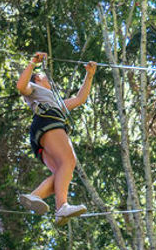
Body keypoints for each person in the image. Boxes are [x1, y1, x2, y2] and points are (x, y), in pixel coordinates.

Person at [16, 52, 97, 226]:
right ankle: (62, 207)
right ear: (38, 78)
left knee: (62, 172)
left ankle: (35, 196)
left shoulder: (55, 101)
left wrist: (89, 75)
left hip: (41, 134)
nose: (51, 81)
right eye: (46, 76)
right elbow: (21, 86)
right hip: (48, 123)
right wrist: (32, 63)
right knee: (69, 160)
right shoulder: (35, 89)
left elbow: (79, 99)